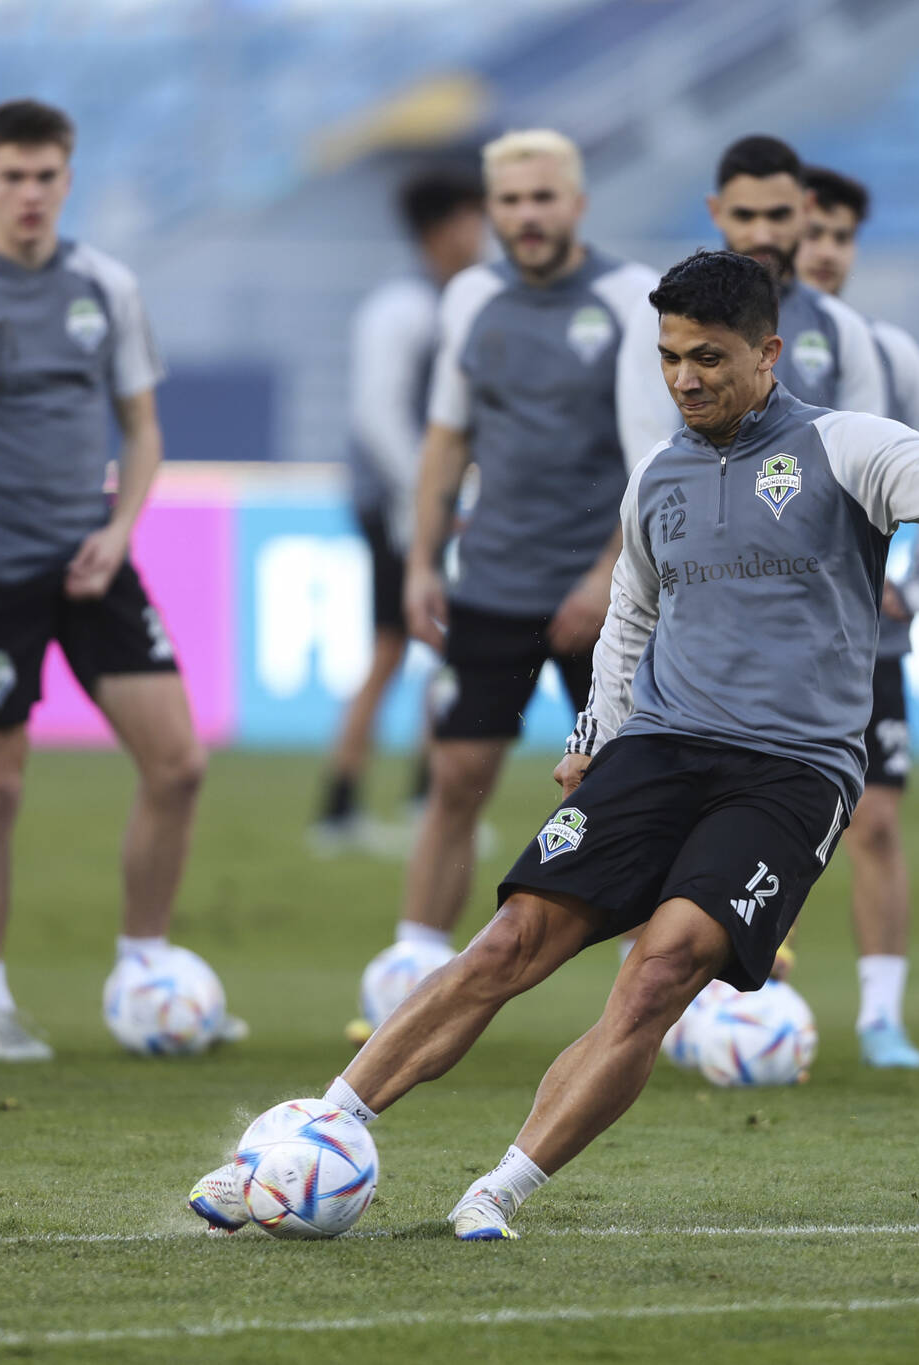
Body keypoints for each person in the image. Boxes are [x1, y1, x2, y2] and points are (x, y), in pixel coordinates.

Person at [190, 249, 919, 1240]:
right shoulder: (658, 474)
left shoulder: (845, 447)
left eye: (708, 358)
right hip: (660, 747)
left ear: (767, 353)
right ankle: (312, 1135)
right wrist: (595, 733)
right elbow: (629, 617)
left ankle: (499, 1190)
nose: (684, 379)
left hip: (790, 774)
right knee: (508, 943)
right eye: (668, 357)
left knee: (658, 972)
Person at [0, 99, 221, 1062]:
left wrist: (119, 530)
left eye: (46, 177)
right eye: (13, 176)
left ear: (67, 180)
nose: (30, 194)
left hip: (92, 563)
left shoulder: (105, 285)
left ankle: (144, 971)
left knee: (179, 763)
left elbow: (145, 430)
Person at [350, 129, 676, 1005]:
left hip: (604, 594)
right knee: (455, 775)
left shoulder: (626, 299)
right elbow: (447, 436)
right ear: (491, 211)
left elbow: (652, 461)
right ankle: (414, 969)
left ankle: (652, 985)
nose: (527, 217)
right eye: (511, 202)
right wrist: (422, 560)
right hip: (491, 580)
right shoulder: (469, 297)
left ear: (577, 203)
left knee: (627, 786)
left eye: (543, 198)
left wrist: (607, 575)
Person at [796, 163, 919, 1069]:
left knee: (880, 821)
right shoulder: (736, 341)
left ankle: (881, 1014)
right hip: (758, 635)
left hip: (865, 634)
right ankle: (738, 1000)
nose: (823, 251)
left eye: (839, 237)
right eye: (810, 231)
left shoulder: (887, 353)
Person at [309, 168, 484, 858]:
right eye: (475, 219)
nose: (485, 234)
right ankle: (352, 801)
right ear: (442, 228)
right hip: (399, 507)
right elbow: (377, 415)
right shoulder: (403, 309)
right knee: (399, 650)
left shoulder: (449, 301)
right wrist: (430, 500)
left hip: (417, 504)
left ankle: (406, 798)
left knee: (427, 650)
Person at [707, 136, 887, 416]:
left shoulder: (842, 326)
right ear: (716, 212)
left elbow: (863, 449)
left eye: (778, 215)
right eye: (745, 216)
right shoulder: (666, 322)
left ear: (806, 208)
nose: (762, 235)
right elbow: (649, 452)